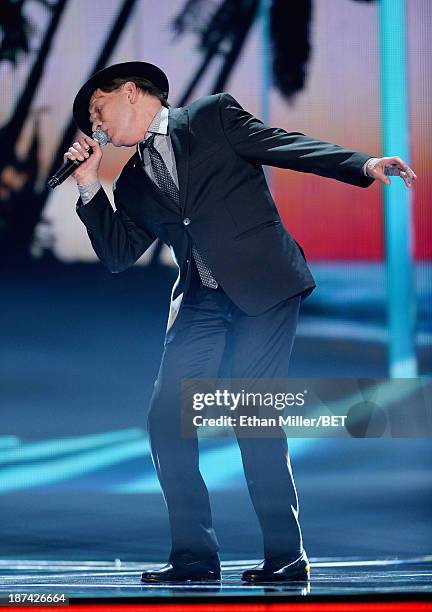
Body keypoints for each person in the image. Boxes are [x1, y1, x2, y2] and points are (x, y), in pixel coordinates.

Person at [68, 61, 417, 584]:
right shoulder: (135, 181)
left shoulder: (211, 118)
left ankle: (285, 556)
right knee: (167, 419)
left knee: (252, 416)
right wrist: (90, 185)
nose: (97, 127)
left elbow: (284, 144)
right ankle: (193, 557)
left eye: (98, 111)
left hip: (265, 288)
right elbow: (119, 255)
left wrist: (362, 165)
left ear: (133, 93)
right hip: (202, 302)